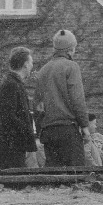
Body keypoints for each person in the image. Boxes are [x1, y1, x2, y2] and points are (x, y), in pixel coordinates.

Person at [36, 29, 89, 168]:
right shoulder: (71, 67)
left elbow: (37, 105)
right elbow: (77, 100)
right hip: (68, 131)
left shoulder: (43, 70)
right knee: (76, 176)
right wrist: (85, 126)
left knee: (54, 177)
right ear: (71, 50)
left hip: (48, 131)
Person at [0, 46, 37, 171]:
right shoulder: (11, 85)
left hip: (14, 144)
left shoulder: (13, 84)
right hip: (12, 146)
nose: (31, 67)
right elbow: (8, 117)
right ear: (25, 64)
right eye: (31, 63)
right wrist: (27, 129)